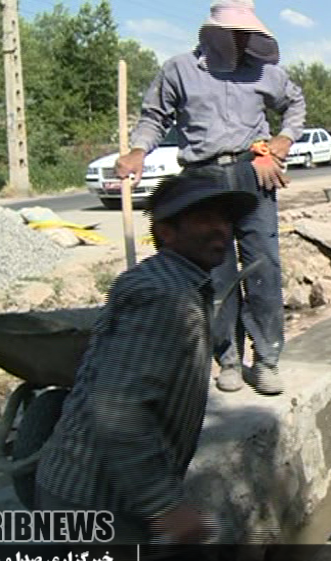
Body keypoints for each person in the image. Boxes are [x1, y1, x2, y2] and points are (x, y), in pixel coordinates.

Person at [35, 173, 258, 550]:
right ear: (166, 232)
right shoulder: (167, 298)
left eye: (224, 218)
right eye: (205, 219)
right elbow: (118, 410)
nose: (221, 229)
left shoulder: (179, 283)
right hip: (93, 504)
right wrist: (165, 506)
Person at [116, 0, 306, 396]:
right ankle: (229, 360)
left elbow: (294, 104)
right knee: (214, 272)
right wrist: (138, 151)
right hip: (202, 179)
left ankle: (267, 361)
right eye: (235, 33)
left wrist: (281, 143)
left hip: (253, 172)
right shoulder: (179, 70)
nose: (242, 40)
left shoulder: (265, 72)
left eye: (247, 33)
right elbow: (155, 117)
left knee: (263, 267)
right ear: (214, 32)